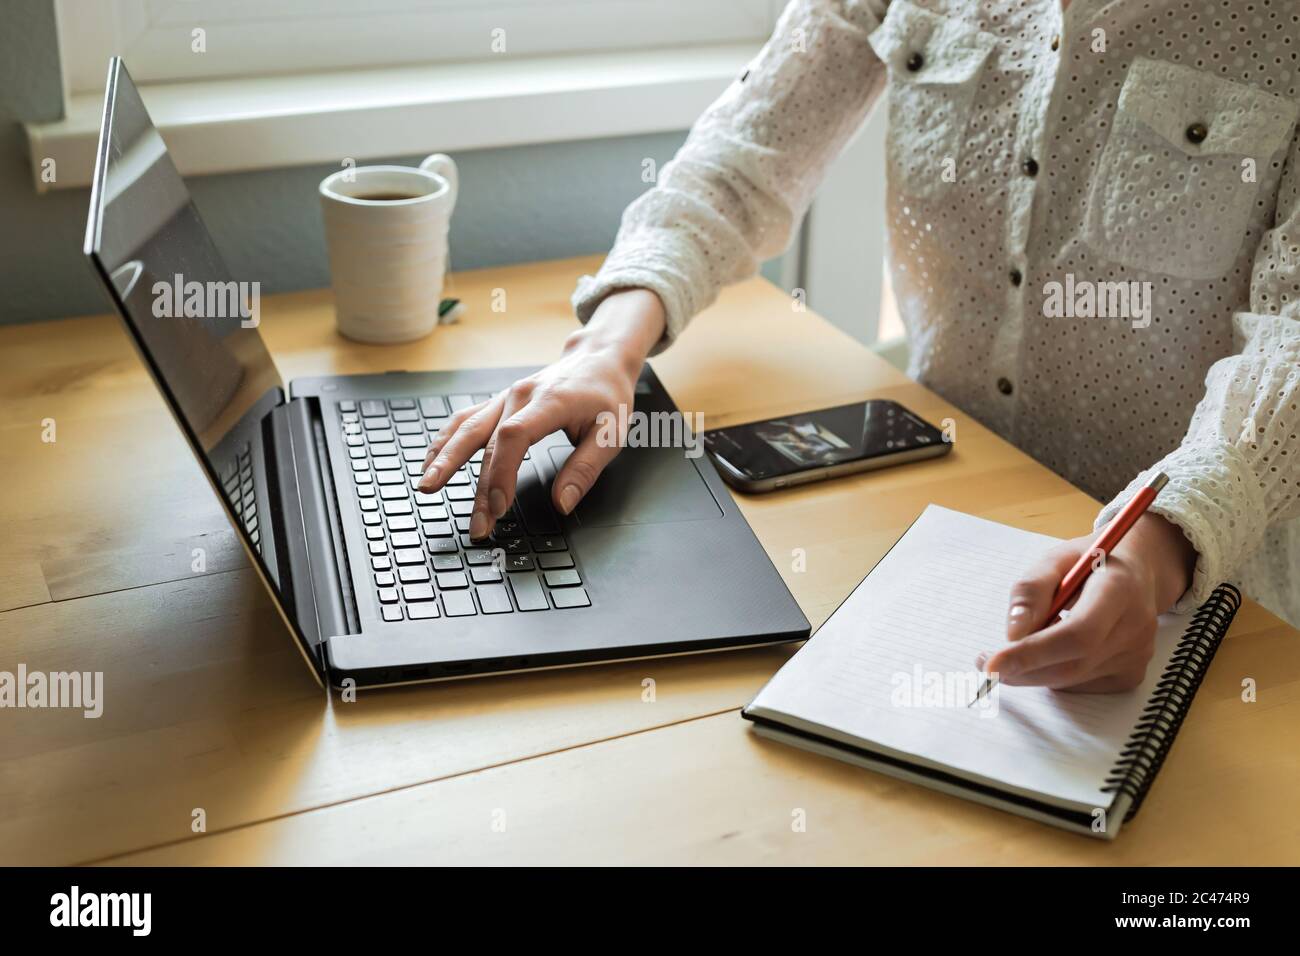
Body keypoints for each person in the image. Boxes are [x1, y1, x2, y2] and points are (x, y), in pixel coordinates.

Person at [421, 0, 1300, 691]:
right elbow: (746, 153)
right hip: (939, 529)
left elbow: (1290, 342)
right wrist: (606, 348)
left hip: (1211, 591)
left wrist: (1162, 545)